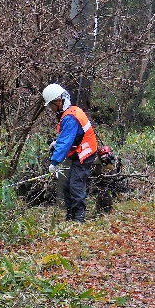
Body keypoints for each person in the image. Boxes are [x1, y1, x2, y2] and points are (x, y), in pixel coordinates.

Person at [42, 83, 97, 222]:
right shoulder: (70, 112)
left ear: (59, 101)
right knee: (67, 185)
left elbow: (66, 142)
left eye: (51, 105)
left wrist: (54, 162)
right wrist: (57, 142)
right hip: (79, 152)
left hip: (85, 154)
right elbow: (69, 137)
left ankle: (79, 219)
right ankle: (70, 216)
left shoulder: (70, 117)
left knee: (75, 185)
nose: (51, 109)